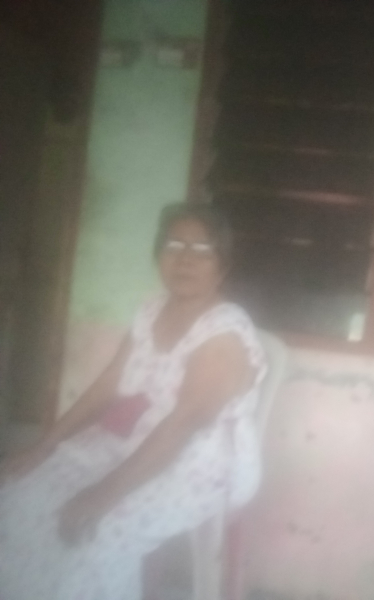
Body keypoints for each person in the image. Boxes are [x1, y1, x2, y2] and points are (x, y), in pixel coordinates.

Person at [0, 203, 268, 600]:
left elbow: (184, 425)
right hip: (131, 441)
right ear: (158, 254)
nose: (186, 258)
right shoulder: (152, 309)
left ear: (222, 265)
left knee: (94, 532)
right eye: (174, 244)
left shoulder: (224, 332)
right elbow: (107, 385)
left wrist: (103, 494)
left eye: (202, 249)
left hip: (194, 464)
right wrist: (44, 446)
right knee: (21, 496)